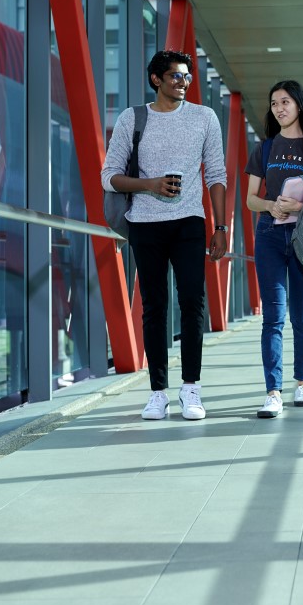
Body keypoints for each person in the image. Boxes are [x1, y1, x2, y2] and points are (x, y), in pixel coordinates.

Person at [101, 49, 227, 422]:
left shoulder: (205, 117)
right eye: (175, 76)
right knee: (153, 308)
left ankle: (191, 389)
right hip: (144, 223)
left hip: (190, 221)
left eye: (187, 77)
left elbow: (217, 175)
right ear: (156, 79)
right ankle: (158, 392)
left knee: (193, 302)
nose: (183, 82)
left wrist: (220, 226)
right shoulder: (132, 118)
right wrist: (151, 184)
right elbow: (108, 175)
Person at [245, 80, 303, 418]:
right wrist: (270, 206)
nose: (279, 108)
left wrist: (299, 208)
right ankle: (273, 391)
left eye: (286, 101)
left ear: (299, 106)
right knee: (273, 318)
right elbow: (250, 199)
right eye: (274, 102)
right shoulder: (263, 149)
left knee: (302, 318)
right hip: (269, 236)